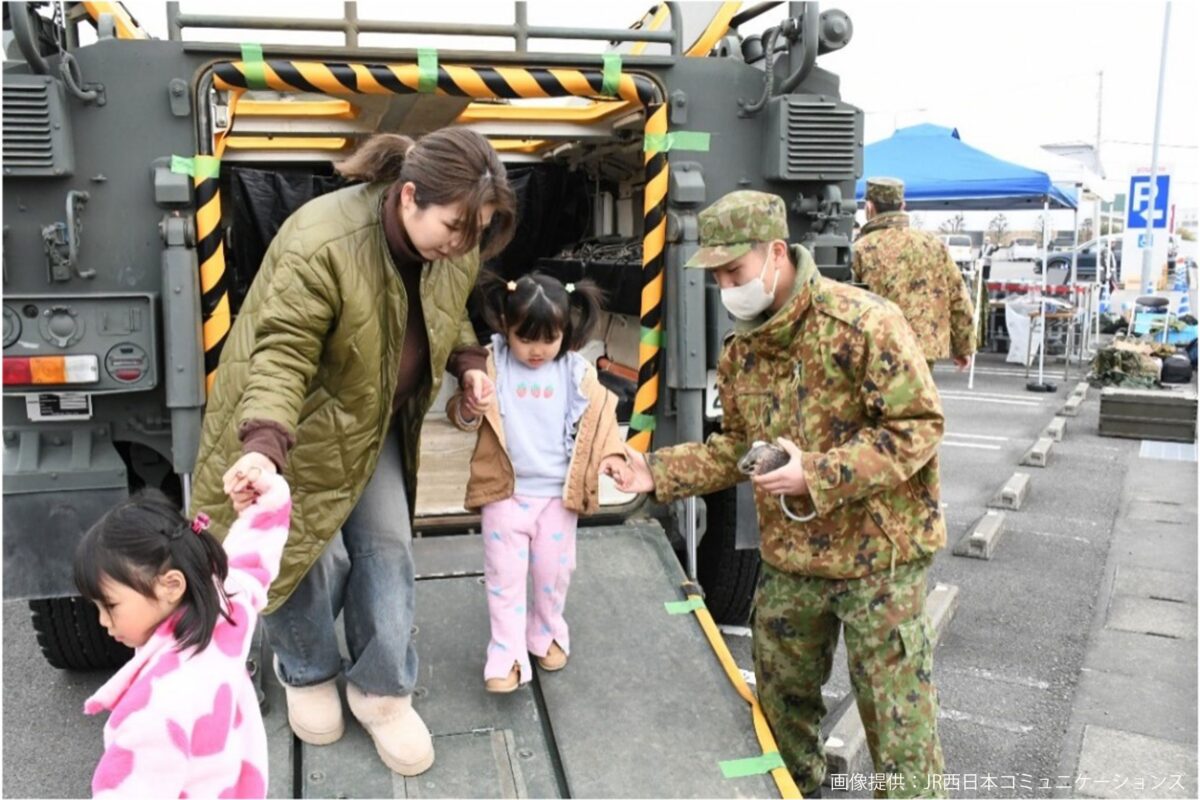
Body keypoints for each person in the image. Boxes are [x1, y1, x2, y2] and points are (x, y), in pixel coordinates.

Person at [188, 129, 517, 776]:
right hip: (293, 428)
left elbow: (444, 309)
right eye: (453, 226)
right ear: (409, 196)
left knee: (388, 547)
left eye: (473, 233)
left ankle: (383, 691)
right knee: (310, 554)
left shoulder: (451, 245)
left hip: (369, 424)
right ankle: (307, 670)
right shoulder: (323, 240)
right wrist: (262, 450)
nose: (460, 244)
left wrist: (469, 360)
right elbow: (280, 353)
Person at [616, 190, 948, 798]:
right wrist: (654, 472)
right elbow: (737, 447)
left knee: (898, 729)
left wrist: (816, 474)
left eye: (733, 271)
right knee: (782, 710)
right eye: (715, 274)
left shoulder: (865, 322)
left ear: (776, 253)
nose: (725, 285)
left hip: (881, 560)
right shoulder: (744, 351)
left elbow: (917, 427)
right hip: (794, 559)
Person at [446, 272, 629, 693]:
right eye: (525, 338)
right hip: (504, 493)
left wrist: (615, 456)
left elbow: (599, 423)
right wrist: (472, 406)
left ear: (565, 335)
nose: (536, 350)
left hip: (557, 498)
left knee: (553, 573)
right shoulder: (490, 364)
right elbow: (460, 416)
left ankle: (544, 634)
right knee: (504, 577)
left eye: (549, 340)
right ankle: (505, 655)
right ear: (505, 328)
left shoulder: (574, 372)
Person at [76, 471, 292, 799]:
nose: (104, 622)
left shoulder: (153, 712)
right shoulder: (227, 604)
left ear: (172, 586)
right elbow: (254, 556)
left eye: (110, 605)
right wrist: (267, 501)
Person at [853, 177, 976, 370]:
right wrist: (963, 346)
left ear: (869, 207)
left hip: (879, 348)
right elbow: (959, 297)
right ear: (903, 205)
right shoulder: (933, 244)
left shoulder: (861, 249)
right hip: (925, 348)